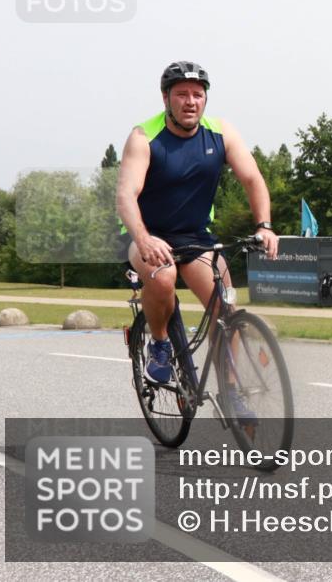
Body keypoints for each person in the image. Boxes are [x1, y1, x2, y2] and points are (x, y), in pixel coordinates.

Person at [116, 61, 278, 398]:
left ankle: (231, 393)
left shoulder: (220, 132)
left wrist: (264, 226)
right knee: (162, 276)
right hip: (147, 234)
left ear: (205, 99)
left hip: (196, 237)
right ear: (166, 99)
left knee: (226, 312)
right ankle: (159, 344)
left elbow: (252, 179)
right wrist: (143, 239)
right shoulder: (144, 136)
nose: (190, 101)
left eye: (197, 94)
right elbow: (126, 195)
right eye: (182, 95)